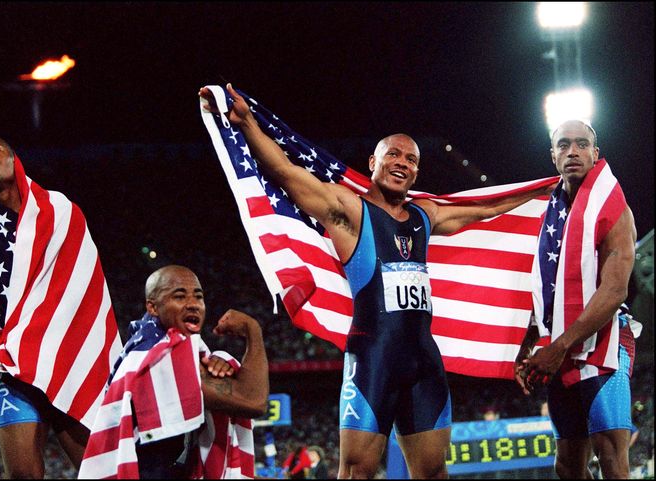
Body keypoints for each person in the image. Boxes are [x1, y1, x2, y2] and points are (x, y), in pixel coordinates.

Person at [200, 84, 555, 479]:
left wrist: (550, 190)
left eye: (412, 159)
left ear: (417, 171)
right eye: (394, 154)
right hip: (373, 359)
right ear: (374, 161)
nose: (402, 163)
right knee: (356, 471)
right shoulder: (348, 210)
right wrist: (248, 122)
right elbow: (286, 172)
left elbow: (486, 208)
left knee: (434, 472)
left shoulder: (426, 216)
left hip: (424, 363)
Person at [0, 136, 122, 478]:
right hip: (13, 372)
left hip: (71, 361)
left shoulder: (60, 211)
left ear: (15, 161)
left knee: (101, 472)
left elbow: (83, 287)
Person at [514, 120, 637, 479]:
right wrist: (527, 347)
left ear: (595, 154)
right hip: (559, 343)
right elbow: (543, 288)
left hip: (606, 339)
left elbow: (615, 290)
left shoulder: (615, 209)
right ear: (552, 156)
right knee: (567, 465)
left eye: (582, 144)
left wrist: (559, 347)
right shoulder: (545, 216)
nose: (573, 151)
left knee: (611, 458)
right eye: (564, 145)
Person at [78, 265, 269, 479]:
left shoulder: (145, 347)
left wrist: (217, 364)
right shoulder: (161, 359)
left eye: (198, 297)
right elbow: (254, 401)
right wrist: (253, 330)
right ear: (153, 307)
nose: (193, 304)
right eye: (179, 296)